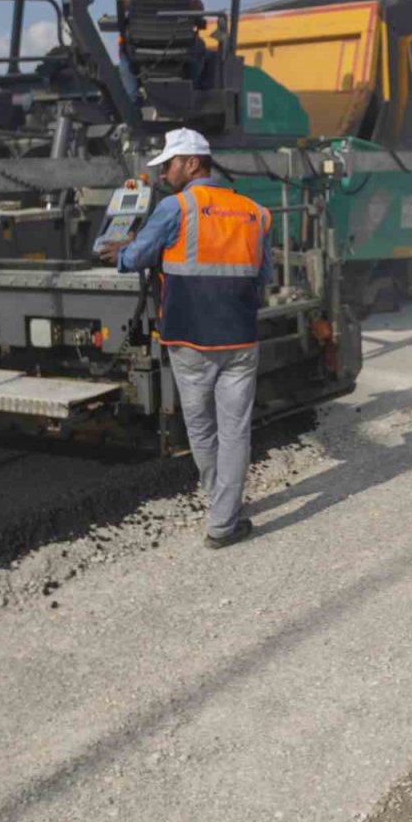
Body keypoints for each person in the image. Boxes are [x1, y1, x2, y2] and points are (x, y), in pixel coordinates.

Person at [96, 128, 272, 549]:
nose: (164, 174)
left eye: (170, 165)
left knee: (201, 428)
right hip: (239, 339)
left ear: (192, 163)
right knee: (235, 432)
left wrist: (118, 250)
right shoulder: (256, 212)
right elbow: (263, 277)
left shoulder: (177, 207)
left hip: (189, 339)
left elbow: (135, 258)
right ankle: (223, 520)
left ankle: (219, 508)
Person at [116, 0, 201, 102]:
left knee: (124, 56)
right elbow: (197, 8)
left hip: (138, 46)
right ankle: (192, 94)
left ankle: (131, 102)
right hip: (179, 45)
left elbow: (123, 4)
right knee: (201, 51)